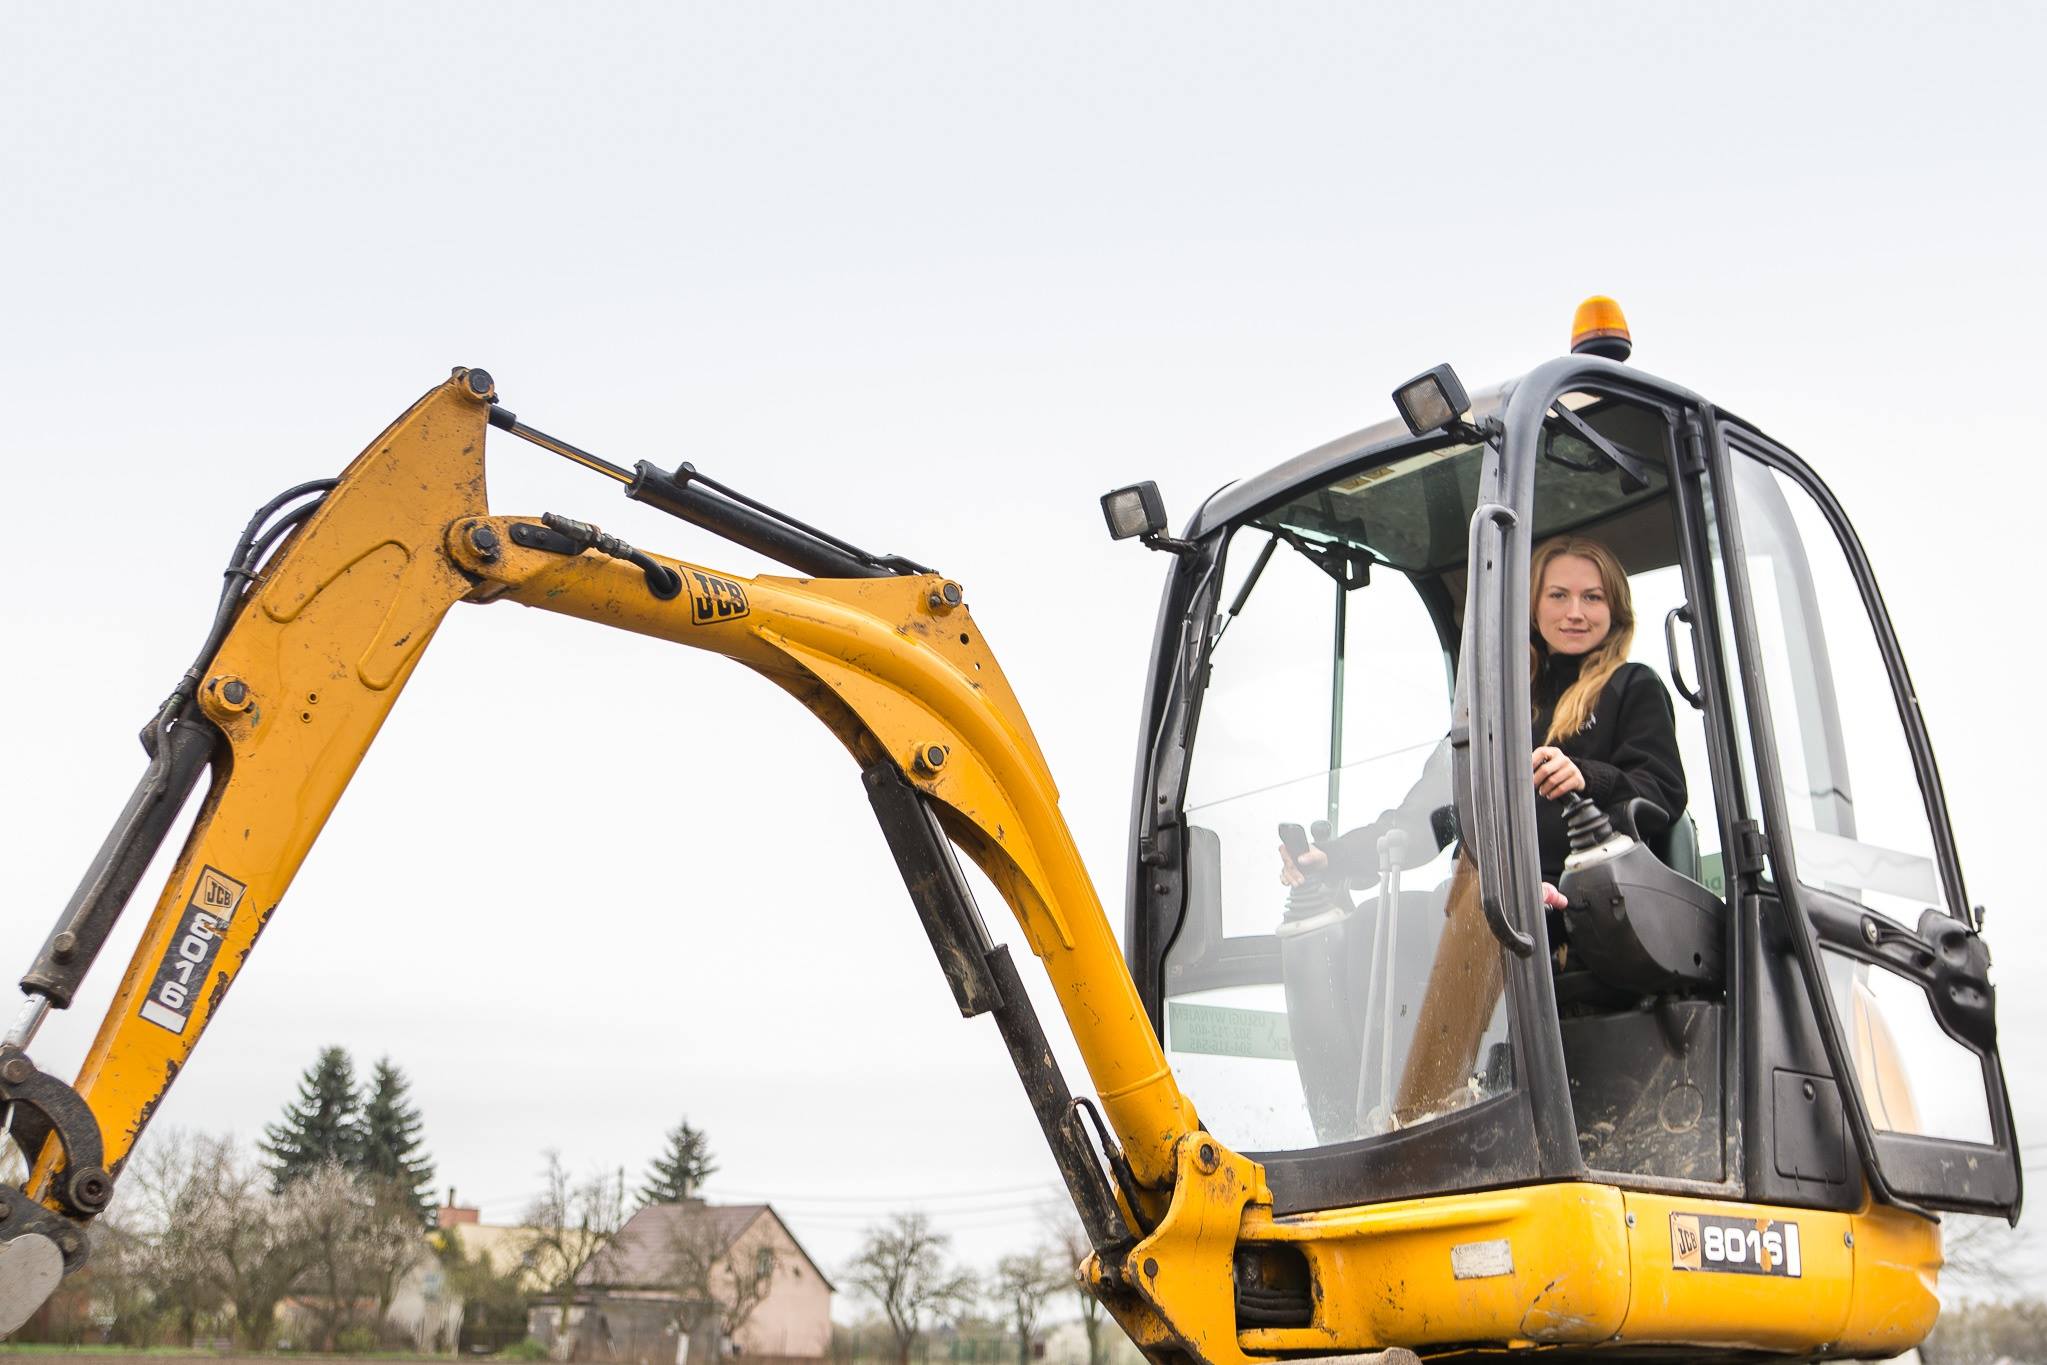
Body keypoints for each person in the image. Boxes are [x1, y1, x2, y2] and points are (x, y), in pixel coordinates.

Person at [1276, 533, 1687, 1123]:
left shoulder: (1632, 689)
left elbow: (1662, 792)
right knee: (1373, 927)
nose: (1576, 611)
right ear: (1532, 606)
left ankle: (1417, 1117)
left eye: (1593, 598)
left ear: (1615, 610)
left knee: (1491, 902)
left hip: (1585, 896)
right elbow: (1427, 817)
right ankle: (1357, 1122)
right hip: (1497, 887)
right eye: (1559, 595)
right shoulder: (1492, 709)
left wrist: (1587, 777)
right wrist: (1333, 857)